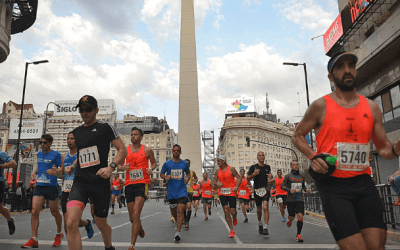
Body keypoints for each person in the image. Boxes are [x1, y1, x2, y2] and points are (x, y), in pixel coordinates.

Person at [292, 52, 400, 250]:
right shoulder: (320, 106)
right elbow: (298, 135)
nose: (347, 70)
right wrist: (313, 156)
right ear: (331, 77)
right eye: (340, 67)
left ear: (356, 71)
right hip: (333, 185)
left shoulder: (372, 107)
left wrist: (395, 149)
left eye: (351, 65)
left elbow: (384, 148)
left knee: (377, 247)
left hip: (364, 182)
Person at [65, 95, 127, 250]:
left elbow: (122, 150)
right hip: (80, 182)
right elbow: (81, 156)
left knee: (100, 222)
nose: (84, 113)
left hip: (100, 182)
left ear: (96, 110)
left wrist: (110, 167)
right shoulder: (77, 132)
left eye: (88, 109)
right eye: (81, 110)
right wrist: (73, 166)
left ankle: (108, 246)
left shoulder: (105, 127)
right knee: (71, 222)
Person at [118, 127, 157, 250]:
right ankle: (139, 227)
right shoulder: (125, 150)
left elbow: (154, 163)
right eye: (131, 134)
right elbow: (117, 165)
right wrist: (122, 167)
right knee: (132, 217)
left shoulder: (147, 150)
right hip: (129, 184)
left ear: (141, 137)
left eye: (135, 135)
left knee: (136, 213)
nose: (133, 136)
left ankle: (132, 245)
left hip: (142, 183)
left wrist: (152, 169)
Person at [21, 134, 63, 248]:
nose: (42, 145)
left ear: (50, 143)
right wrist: (34, 174)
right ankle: (34, 239)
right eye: (41, 142)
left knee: (54, 213)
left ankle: (59, 233)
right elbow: (40, 166)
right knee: (34, 211)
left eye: (44, 142)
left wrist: (57, 171)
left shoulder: (56, 155)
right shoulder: (39, 154)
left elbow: (62, 169)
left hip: (52, 186)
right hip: (39, 186)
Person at [59, 132, 94, 238]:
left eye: (72, 138)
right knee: (67, 222)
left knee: (72, 221)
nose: (69, 141)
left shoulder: (83, 155)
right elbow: (62, 174)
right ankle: (86, 224)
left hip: (78, 190)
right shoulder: (64, 156)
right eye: (68, 138)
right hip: (66, 190)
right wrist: (55, 172)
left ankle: (87, 224)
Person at [160, 144, 190, 242]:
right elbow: (161, 174)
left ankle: (178, 233)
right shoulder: (167, 164)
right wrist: (165, 177)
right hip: (171, 192)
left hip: (182, 191)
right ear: (172, 152)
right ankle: (177, 221)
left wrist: (187, 178)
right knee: (173, 211)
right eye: (174, 150)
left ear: (180, 152)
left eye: (178, 150)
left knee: (181, 210)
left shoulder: (184, 164)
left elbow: (188, 173)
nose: (176, 151)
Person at [281, 161, 311, 242]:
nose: (296, 166)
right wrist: (289, 190)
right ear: (291, 166)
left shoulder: (302, 176)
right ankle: (290, 220)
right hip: (290, 200)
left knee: (300, 216)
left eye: (297, 164)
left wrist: (306, 190)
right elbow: (282, 186)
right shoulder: (288, 176)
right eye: (294, 165)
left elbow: (303, 186)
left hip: (299, 199)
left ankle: (298, 235)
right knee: (292, 217)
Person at [214, 155, 241, 238]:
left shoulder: (231, 169)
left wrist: (236, 186)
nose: (217, 163)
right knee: (226, 210)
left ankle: (234, 216)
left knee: (233, 211)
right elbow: (215, 181)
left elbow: (239, 178)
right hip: (222, 193)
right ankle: (231, 230)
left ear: (223, 161)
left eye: (218, 161)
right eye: (217, 161)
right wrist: (217, 184)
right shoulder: (217, 170)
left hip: (231, 192)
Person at [247, 151, 273, 235]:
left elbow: (269, 178)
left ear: (264, 157)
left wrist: (270, 177)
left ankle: (266, 227)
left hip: (265, 189)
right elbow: (247, 178)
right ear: (257, 157)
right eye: (259, 156)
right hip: (257, 190)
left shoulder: (268, 167)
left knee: (265, 207)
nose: (261, 157)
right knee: (259, 209)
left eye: (263, 155)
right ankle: (260, 223)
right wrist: (253, 174)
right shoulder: (253, 167)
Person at [0, 151, 17, 235]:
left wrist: (1, 166)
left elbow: (13, 163)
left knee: (0, 207)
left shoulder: (1, 154)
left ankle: (10, 220)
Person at [183, 159, 197, 229]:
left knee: (188, 206)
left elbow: (196, 178)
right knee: (183, 208)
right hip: (181, 192)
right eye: (186, 163)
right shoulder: (181, 172)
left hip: (189, 191)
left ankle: (187, 221)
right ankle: (185, 219)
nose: (187, 164)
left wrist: (194, 181)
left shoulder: (192, 172)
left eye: (188, 163)